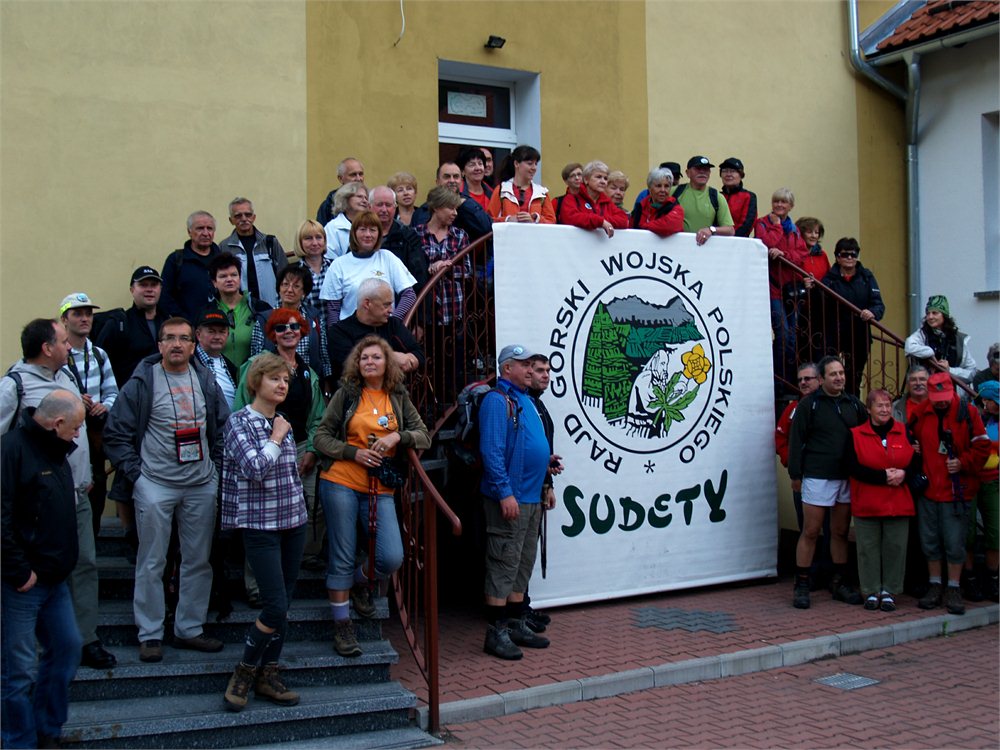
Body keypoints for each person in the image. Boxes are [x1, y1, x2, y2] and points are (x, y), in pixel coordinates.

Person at [104, 317, 229, 663]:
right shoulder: (142, 382)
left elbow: (222, 428)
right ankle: (150, 634)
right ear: (159, 345)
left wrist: (216, 471)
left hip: (200, 484)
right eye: (169, 338)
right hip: (155, 483)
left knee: (198, 560)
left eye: (184, 339)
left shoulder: (205, 380)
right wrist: (137, 475)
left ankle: (189, 628)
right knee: (152, 561)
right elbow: (115, 433)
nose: (177, 344)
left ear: (193, 345)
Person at [0, 319, 113, 671]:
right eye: (63, 341)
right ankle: (32, 644)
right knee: (33, 579)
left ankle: (86, 638)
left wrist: (86, 474)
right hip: (33, 507)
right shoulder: (14, 385)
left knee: (85, 564)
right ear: (47, 348)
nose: (70, 346)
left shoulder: (67, 377)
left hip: (75, 495)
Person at [313, 336, 430, 657]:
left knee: (391, 557)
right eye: (363, 357)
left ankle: (359, 583)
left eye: (376, 357)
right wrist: (353, 452)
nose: (369, 362)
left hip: (381, 487)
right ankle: (342, 625)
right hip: (341, 480)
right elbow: (321, 437)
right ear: (357, 363)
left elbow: (424, 436)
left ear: (387, 363)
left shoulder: (398, 396)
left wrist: (398, 436)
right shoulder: (347, 394)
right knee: (342, 553)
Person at [221, 353, 308, 712]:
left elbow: (288, 474)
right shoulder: (239, 422)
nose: (282, 385)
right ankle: (244, 672)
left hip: (293, 522)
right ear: (256, 383)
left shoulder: (282, 422)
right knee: (274, 605)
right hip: (259, 525)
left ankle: (268, 674)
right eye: (274, 378)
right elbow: (255, 468)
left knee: (283, 604)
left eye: (285, 379)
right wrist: (276, 436)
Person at [1, 390, 86, 749]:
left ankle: (48, 728)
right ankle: (18, 741)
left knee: (67, 648)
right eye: (76, 427)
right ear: (57, 423)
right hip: (22, 583)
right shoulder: (11, 451)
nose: (78, 434)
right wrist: (20, 572)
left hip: (54, 580)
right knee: (17, 670)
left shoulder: (56, 451)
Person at [235, 309, 325, 579]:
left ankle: (301, 562)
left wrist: (312, 450)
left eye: (295, 327)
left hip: (300, 446)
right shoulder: (257, 365)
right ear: (272, 334)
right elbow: (241, 407)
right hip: (263, 447)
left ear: (302, 333)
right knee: (262, 515)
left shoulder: (309, 373)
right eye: (281, 327)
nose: (288, 332)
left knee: (311, 505)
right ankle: (257, 584)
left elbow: (317, 416)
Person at [480, 345, 554, 660]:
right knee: (503, 562)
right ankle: (495, 632)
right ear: (507, 368)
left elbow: (523, 446)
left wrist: (546, 467)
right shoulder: (497, 400)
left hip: (531, 495)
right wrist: (504, 492)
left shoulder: (525, 400)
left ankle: (514, 623)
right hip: (513, 496)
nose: (530, 370)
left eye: (531, 365)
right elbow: (492, 451)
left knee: (522, 562)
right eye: (524, 365)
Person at [788, 355, 867, 609]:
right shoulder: (808, 405)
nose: (839, 378)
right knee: (811, 531)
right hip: (817, 476)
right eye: (833, 374)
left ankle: (840, 582)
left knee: (840, 532)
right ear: (822, 379)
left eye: (841, 373)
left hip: (845, 477)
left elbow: (867, 435)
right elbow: (796, 441)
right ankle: (802, 584)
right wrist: (796, 475)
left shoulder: (854, 404)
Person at [911, 372, 990, 614]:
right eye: (937, 399)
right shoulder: (921, 412)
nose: (941, 403)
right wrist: (914, 447)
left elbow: (982, 447)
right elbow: (910, 437)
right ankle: (935, 584)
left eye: (945, 398)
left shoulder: (968, 413)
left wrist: (963, 462)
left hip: (957, 491)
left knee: (955, 542)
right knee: (930, 540)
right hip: (929, 490)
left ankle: (954, 587)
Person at [845, 389, 917, 612]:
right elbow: (851, 466)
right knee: (868, 549)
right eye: (879, 406)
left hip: (898, 501)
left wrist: (904, 474)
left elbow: (917, 461)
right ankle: (871, 590)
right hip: (867, 501)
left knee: (895, 547)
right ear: (869, 409)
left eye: (887, 405)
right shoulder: (855, 434)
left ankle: (890, 591)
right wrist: (882, 476)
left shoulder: (905, 431)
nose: (885, 410)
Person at [60, 293, 118, 539]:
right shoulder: (57, 354)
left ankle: (91, 540)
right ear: (64, 319)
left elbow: (113, 392)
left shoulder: (99, 354)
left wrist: (104, 406)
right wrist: (74, 402)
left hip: (93, 433)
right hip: (64, 435)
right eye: (77, 314)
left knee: (96, 489)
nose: (85, 319)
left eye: (88, 314)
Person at [413, 186, 474, 402]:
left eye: (456, 208)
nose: (455, 213)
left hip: (452, 309)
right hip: (427, 311)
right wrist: (430, 268)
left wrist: (445, 268)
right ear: (437, 208)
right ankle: (431, 404)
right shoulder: (417, 234)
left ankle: (450, 403)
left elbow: (466, 270)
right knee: (429, 359)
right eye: (450, 208)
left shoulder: (459, 235)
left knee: (453, 363)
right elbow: (412, 269)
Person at [775, 363, 830, 586]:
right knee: (807, 528)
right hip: (803, 478)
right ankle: (810, 572)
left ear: (820, 380)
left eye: (808, 378)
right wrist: (791, 462)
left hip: (829, 477)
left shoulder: (831, 406)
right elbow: (780, 438)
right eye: (800, 380)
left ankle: (829, 571)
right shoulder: (793, 409)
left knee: (831, 528)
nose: (804, 383)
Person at [521, 355, 563, 633]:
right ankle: (516, 611)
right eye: (539, 370)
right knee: (519, 551)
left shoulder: (539, 404)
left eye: (548, 370)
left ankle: (522, 606)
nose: (546, 375)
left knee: (528, 550)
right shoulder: (524, 404)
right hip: (523, 488)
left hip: (538, 484)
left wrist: (548, 484)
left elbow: (544, 448)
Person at [320, 211, 418, 325]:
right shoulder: (339, 264)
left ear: (379, 234)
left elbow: (409, 295)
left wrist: (393, 321)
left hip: (384, 329)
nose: (368, 234)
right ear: (354, 233)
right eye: (362, 229)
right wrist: (336, 333)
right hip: (350, 331)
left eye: (372, 230)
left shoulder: (388, 258)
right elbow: (333, 309)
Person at [754, 188, 808, 389]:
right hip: (772, 286)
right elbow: (766, 244)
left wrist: (784, 255)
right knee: (783, 333)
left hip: (790, 288)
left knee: (792, 336)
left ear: (790, 206)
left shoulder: (794, 229)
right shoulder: (762, 223)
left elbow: (801, 255)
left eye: (783, 202)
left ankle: (788, 379)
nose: (779, 205)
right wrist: (776, 227)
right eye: (776, 201)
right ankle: (777, 379)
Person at [820, 238, 885, 396]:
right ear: (837, 257)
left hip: (859, 334)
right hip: (834, 333)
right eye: (845, 254)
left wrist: (872, 313)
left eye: (853, 254)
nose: (849, 258)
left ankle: (852, 405)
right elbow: (818, 304)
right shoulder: (829, 279)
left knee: (854, 376)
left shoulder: (866, 277)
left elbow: (878, 304)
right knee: (832, 373)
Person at [327, 278, 424, 384]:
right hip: (356, 392)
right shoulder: (339, 331)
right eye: (386, 305)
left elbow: (419, 354)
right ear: (367, 303)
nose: (391, 310)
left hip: (393, 392)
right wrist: (392, 358)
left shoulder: (393, 324)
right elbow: (351, 366)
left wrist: (410, 360)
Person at [251, 265, 332, 385]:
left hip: (309, 383)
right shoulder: (265, 319)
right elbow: (255, 359)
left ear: (304, 292)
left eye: (296, 286)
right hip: (273, 383)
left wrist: (327, 385)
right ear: (279, 289)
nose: (289, 290)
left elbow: (324, 356)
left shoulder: (313, 318)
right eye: (285, 284)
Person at [892, 364, 932, 596]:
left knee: (927, 528)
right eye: (913, 379)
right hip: (904, 473)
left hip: (933, 473)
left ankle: (930, 579)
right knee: (909, 528)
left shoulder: (938, 404)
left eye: (922, 379)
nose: (918, 383)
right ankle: (911, 578)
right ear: (907, 383)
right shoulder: (896, 407)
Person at [95, 266, 170, 388]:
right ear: (132, 289)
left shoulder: (169, 323)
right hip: (128, 395)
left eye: (154, 285)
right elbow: (99, 363)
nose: (149, 289)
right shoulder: (119, 324)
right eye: (143, 285)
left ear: (160, 288)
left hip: (164, 393)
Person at [217, 197, 288, 309]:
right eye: (238, 216)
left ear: (254, 217)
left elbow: (285, 274)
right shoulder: (224, 247)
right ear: (231, 220)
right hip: (240, 310)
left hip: (271, 307)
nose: (244, 219)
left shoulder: (270, 242)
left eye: (248, 214)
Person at [208, 252, 272, 369]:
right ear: (214, 282)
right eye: (223, 276)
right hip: (219, 375)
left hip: (255, 373)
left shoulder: (260, 308)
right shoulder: (207, 312)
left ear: (240, 278)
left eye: (234, 275)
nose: (229, 279)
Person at [967, 380, 999, 602]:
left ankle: (992, 579)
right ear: (985, 400)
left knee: (996, 533)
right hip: (969, 480)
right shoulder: (969, 417)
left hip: (992, 481)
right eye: (995, 402)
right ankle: (969, 580)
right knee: (967, 534)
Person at [160, 211, 222, 320]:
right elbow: (164, 295)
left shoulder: (223, 260)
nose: (205, 233)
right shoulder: (176, 260)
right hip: (187, 326)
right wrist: (183, 321)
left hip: (219, 325)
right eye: (200, 228)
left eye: (210, 228)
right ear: (189, 231)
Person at [369, 185, 430, 293]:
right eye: (379, 205)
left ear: (395, 207)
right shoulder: (361, 235)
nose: (384, 209)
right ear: (369, 207)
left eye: (388, 205)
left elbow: (419, 276)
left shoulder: (408, 236)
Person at [904, 295, 977, 383]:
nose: (930, 317)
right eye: (928, 313)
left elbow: (971, 373)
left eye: (934, 313)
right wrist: (930, 352)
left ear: (944, 315)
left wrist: (949, 370)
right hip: (926, 389)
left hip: (951, 389)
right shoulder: (922, 334)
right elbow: (909, 346)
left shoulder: (958, 339)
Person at [412, 162, 493, 241]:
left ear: (461, 181)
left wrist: (465, 205)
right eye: (447, 177)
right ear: (437, 182)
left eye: (456, 176)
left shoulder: (468, 204)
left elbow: (488, 229)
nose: (452, 180)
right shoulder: (424, 210)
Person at [487, 145, 557, 225]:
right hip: (510, 233)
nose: (534, 168)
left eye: (536, 164)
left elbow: (551, 221)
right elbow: (489, 220)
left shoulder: (542, 193)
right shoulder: (501, 190)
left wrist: (535, 219)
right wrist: (508, 219)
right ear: (516, 163)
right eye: (530, 163)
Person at [672, 156, 735, 243]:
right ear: (687, 173)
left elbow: (730, 230)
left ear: (709, 173)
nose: (702, 172)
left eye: (706, 169)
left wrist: (711, 230)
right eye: (698, 169)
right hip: (676, 246)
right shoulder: (674, 192)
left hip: (704, 247)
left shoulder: (716, 196)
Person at [558, 160, 629, 237]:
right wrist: (600, 222)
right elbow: (570, 218)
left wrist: (601, 221)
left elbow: (623, 220)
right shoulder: (572, 199)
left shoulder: (607, 202)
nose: (603, 181)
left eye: (605, 178)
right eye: (598, 177)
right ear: (586, 180)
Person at [194, 309, 239, 409]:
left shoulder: (231, 367)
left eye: (222, 332)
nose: (217, 337)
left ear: (227, 335)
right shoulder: (189, 364)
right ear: (198, 334)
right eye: (211, 331)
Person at [292, 219, 333, 322]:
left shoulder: (335, 267)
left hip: (335, 328)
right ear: (300, 242)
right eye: (308, 238)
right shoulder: (292, 272)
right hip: (306, 328)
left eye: (319, 237)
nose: (315, 243)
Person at [630, 167, 683, 237]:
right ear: (649, 188)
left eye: (666, 186)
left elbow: (668, 226)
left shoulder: (676, 208)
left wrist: (643, 227)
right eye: (658, 186)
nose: (663, 190)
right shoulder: (640, 208)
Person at [323, 182, 369, 260]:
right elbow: (330, 256)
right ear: (346, 199)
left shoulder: (371, 225)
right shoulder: (333, 228)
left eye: (366, 198)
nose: (364, 201)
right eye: (359, 197)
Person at [316, 157, 366, 226]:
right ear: (340, 178)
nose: (358, 178)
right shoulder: (328, 206)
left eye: (361, 174)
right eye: (353, 175)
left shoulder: (370, 200)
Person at [719, 157, 757, 238]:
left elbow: (747, 225)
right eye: (725, 171)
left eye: (733, 171)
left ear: (741, 175)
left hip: (738, 241)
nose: (728, 174)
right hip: (715, 240)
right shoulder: (717, 196)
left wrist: (732, 239)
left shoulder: (749, 196)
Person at [458, 146, 493, 211]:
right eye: (472, 165)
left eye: (480, 164)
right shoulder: (457, 194)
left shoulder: (492, 193)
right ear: (462, 171)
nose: (477, 168)